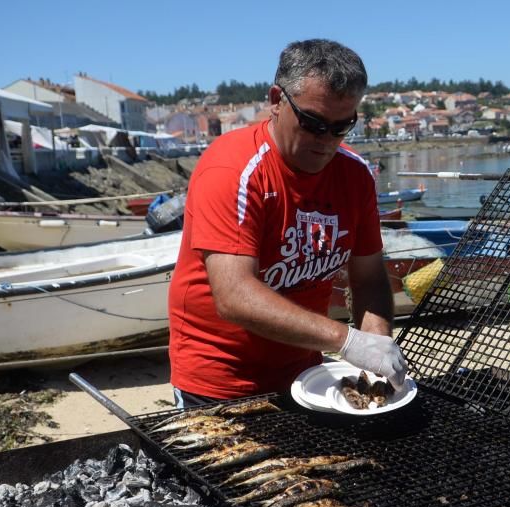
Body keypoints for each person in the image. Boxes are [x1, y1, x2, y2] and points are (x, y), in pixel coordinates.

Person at [168, 39, 406, 406]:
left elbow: (369, 276)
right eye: (313, 123)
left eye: (343, 126)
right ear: (277, 100)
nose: (327, 141)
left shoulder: (355, 175)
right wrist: (349, 342)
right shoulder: (233, 170)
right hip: (219, 383)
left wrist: (375, 348)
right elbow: (234, 296)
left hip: (307, 373)